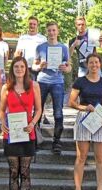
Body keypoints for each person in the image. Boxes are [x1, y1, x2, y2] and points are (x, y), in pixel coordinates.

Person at [0, 56, 42, 190]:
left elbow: (38, 109)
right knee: (13, 173)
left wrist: (32, 123)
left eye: (22, 66)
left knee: (25, 173)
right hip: (11, 134)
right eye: (16, 66)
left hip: (27, 134)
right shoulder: (6, 88)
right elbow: (2, 110)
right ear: (12, 69)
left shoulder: (34, 86)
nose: (19, 69)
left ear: (26, 69)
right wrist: (2, 122)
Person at [68, 53, 102, 190]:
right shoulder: (80, 81)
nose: (94, 65)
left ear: (100, 64)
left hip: (100, 120)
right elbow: (71, 102)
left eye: (96, 62)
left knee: (100, 158)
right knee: (81, 157)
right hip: (84, 119)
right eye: (91, 63)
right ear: (87, 65)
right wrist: (83, 107)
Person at [32, 21, 71, 154]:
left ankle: (56, 141)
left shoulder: (63, 48)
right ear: (46, 32)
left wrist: (65, 68)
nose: (52, 33)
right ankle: (35, 139)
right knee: (38, 110)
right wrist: (40, 66)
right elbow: (33, 66)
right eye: (49, 30)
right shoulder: (40, 47)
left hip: (57, 82)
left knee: (58, 112)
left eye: (54, 30)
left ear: (57, 31)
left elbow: (69, 67)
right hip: (42, 81)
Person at [15, 16, 47, 80]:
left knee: (37, 88)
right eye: (30, 24)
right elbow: (17, 53)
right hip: (26, 67)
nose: (32, 26)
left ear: (37, 25)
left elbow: (46, 54)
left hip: (39, 67)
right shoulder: (22, 38)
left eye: (34, 24)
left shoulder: (43, 38)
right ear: (28, 25)